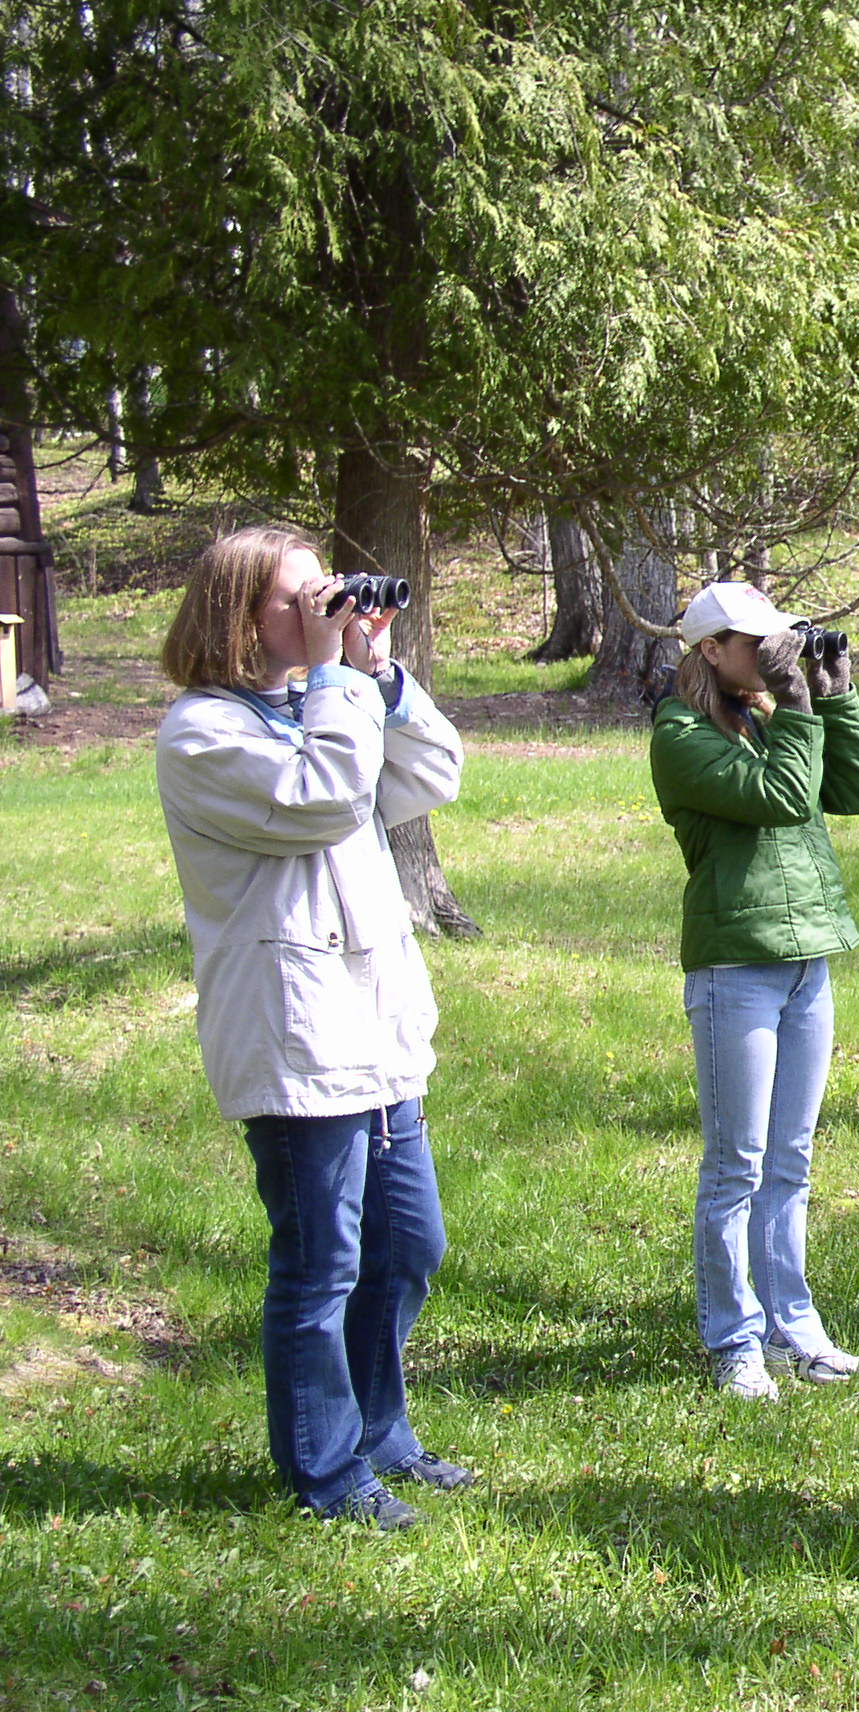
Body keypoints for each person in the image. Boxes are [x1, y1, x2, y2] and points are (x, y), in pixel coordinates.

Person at [155, 525, 466, 1530]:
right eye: (299, 598)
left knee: (408, 1246)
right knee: (320, 1265)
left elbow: (430, 774)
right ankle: (327, 1475)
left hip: (374, 1031)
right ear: (239, 614)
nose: (319, 613)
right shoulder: (204, 732)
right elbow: (329, 800)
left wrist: (375, 673)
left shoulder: (324, 702)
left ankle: (384, 1435)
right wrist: (337, 683)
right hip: (297, 1040)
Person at [650, 582, 859, 1401]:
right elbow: (782, 796)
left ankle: (795, 1329)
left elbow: (856, 793)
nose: (778, 655)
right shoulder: (679, 734)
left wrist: (836, 692)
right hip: (734, 965)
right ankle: (734, 1341)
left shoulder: (769, 717)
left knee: (791, 1158)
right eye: (761, 644)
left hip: (806, 957)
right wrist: (795, 705)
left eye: (785, 642)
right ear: (711, 650)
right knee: (737, 1166)